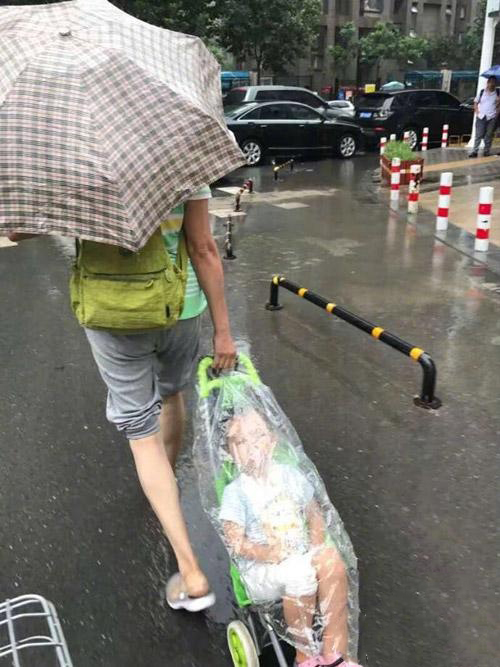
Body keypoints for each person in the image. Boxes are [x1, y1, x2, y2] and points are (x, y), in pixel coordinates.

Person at [9, 186, 236, 612]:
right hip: (179, 307)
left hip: (111, 313)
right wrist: (224, 331)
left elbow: (20, 231)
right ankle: (163, 479)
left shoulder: (81, 171)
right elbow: (203, 248)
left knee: (141, 434)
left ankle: (191, 571)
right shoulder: (183, 165)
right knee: (170, 398)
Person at [220, 410, 361, 667]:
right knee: (300, 574)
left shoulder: (289, 475)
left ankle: (336, 653)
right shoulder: (235, 492)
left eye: (257, 435)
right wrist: (266, 553)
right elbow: (234, 541)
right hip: (262, 569)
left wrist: (317, 547)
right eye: (239, 442)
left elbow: (313, 514)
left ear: (272, 441)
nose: (250, 445)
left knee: (331, 561)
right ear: (231, 454)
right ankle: (305, 657)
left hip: (298, 554)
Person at [469, 75, 500, 158]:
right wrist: (477, 112)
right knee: (478, 134)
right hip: (481, 116)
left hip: (492, 117)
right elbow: (475, 102)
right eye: (491, 82)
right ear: (488, 82)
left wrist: (497, 110)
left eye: (494, 82)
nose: (492, 84)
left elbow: (498, 106)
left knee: (488, 135)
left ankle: (486, 151)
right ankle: (475, 151)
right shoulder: (482, 92)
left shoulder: (498, 93)